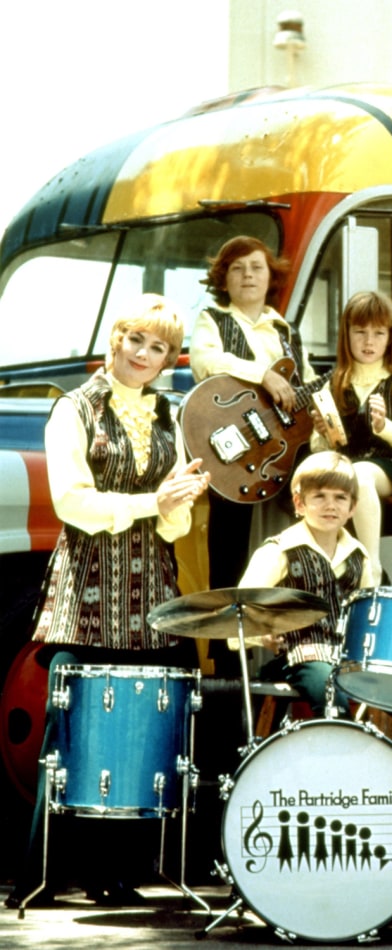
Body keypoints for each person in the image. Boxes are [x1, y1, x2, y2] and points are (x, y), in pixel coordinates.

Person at [5, 295, 211, 911]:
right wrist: (156, 502)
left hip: (150, 588)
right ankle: (41, 875)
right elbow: (71, 501)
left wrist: (179, 506)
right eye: (136, 342)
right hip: (87, 588)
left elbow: (176, 527)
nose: (145, 356)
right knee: (67, 735)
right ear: (115, 340)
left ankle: (118, 874)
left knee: (139, 735)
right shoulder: (73, 409)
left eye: (159, 348)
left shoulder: (172, 415)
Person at [189, 235, 318, 593]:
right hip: (230, 441)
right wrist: (263, 374)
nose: (248, 275)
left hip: (279, 447)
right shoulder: (212, 319)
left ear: (270, 277)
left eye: (256, 267)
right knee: (229, 536)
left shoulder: (285, 330)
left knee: (310, 508)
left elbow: (304, 385)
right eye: (237, 268)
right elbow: (205, 362)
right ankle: (225, 644)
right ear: (223, 279)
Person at [238, 451, 373, 718]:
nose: (330, 505)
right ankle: (341, 750)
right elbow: (239, 610)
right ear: (299, 504)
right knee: (331, 693)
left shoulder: (360, 556)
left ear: (352, 508)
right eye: (319, 496)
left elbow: (366, 616)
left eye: (340, 498)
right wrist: (262, 634)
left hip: (346, 660)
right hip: (298, 656)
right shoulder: (278, 551)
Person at [310, 290, 392, 585]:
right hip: (345, 469)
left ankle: (371, 567)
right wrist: (325, 434)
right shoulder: (334, 384)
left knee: (361, 476)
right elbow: (319, 449)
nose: (368, 341)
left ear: (390, 338)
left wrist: (384, 426)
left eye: (378, 333)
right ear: (346, 335)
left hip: (389, 467)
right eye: (360, 332)